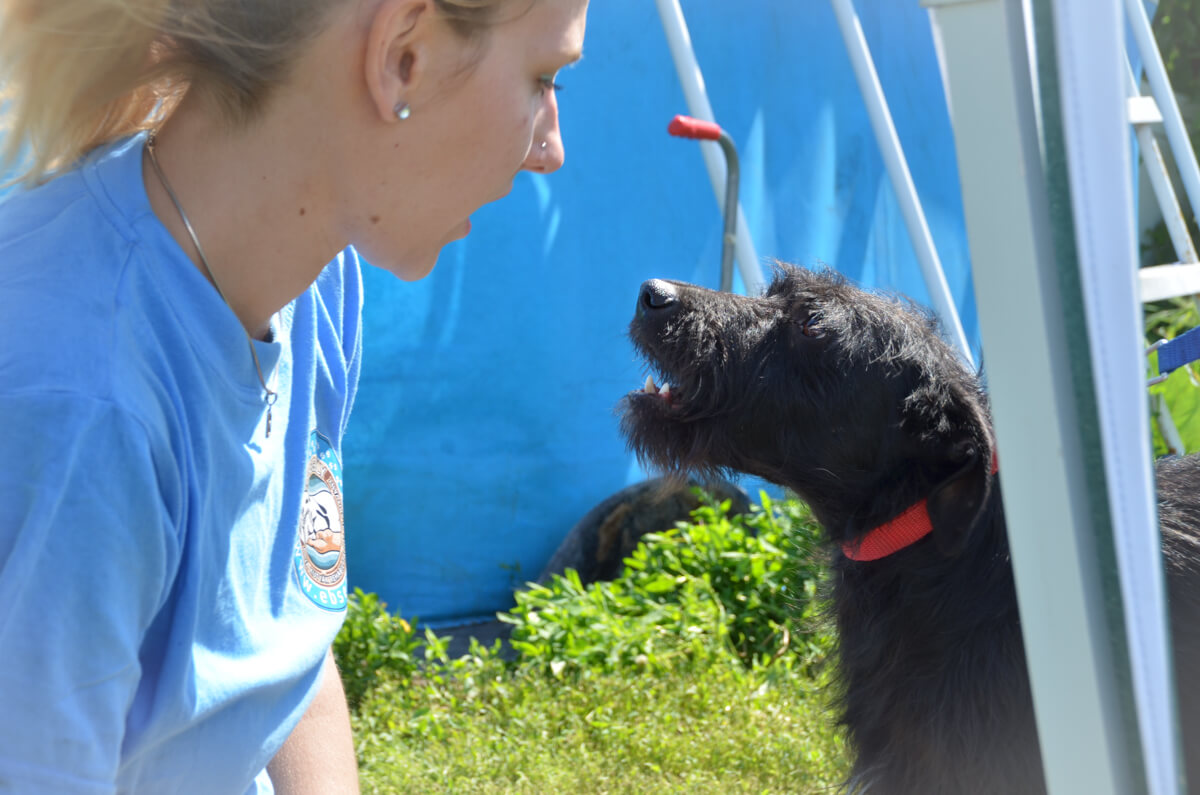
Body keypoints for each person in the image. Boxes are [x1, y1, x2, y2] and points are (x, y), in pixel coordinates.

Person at [0, 0, 588, 791]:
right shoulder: (83, 407)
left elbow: (290, 649)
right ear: (403, 56)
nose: (550, 148)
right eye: (543, 79)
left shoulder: (308, 282)